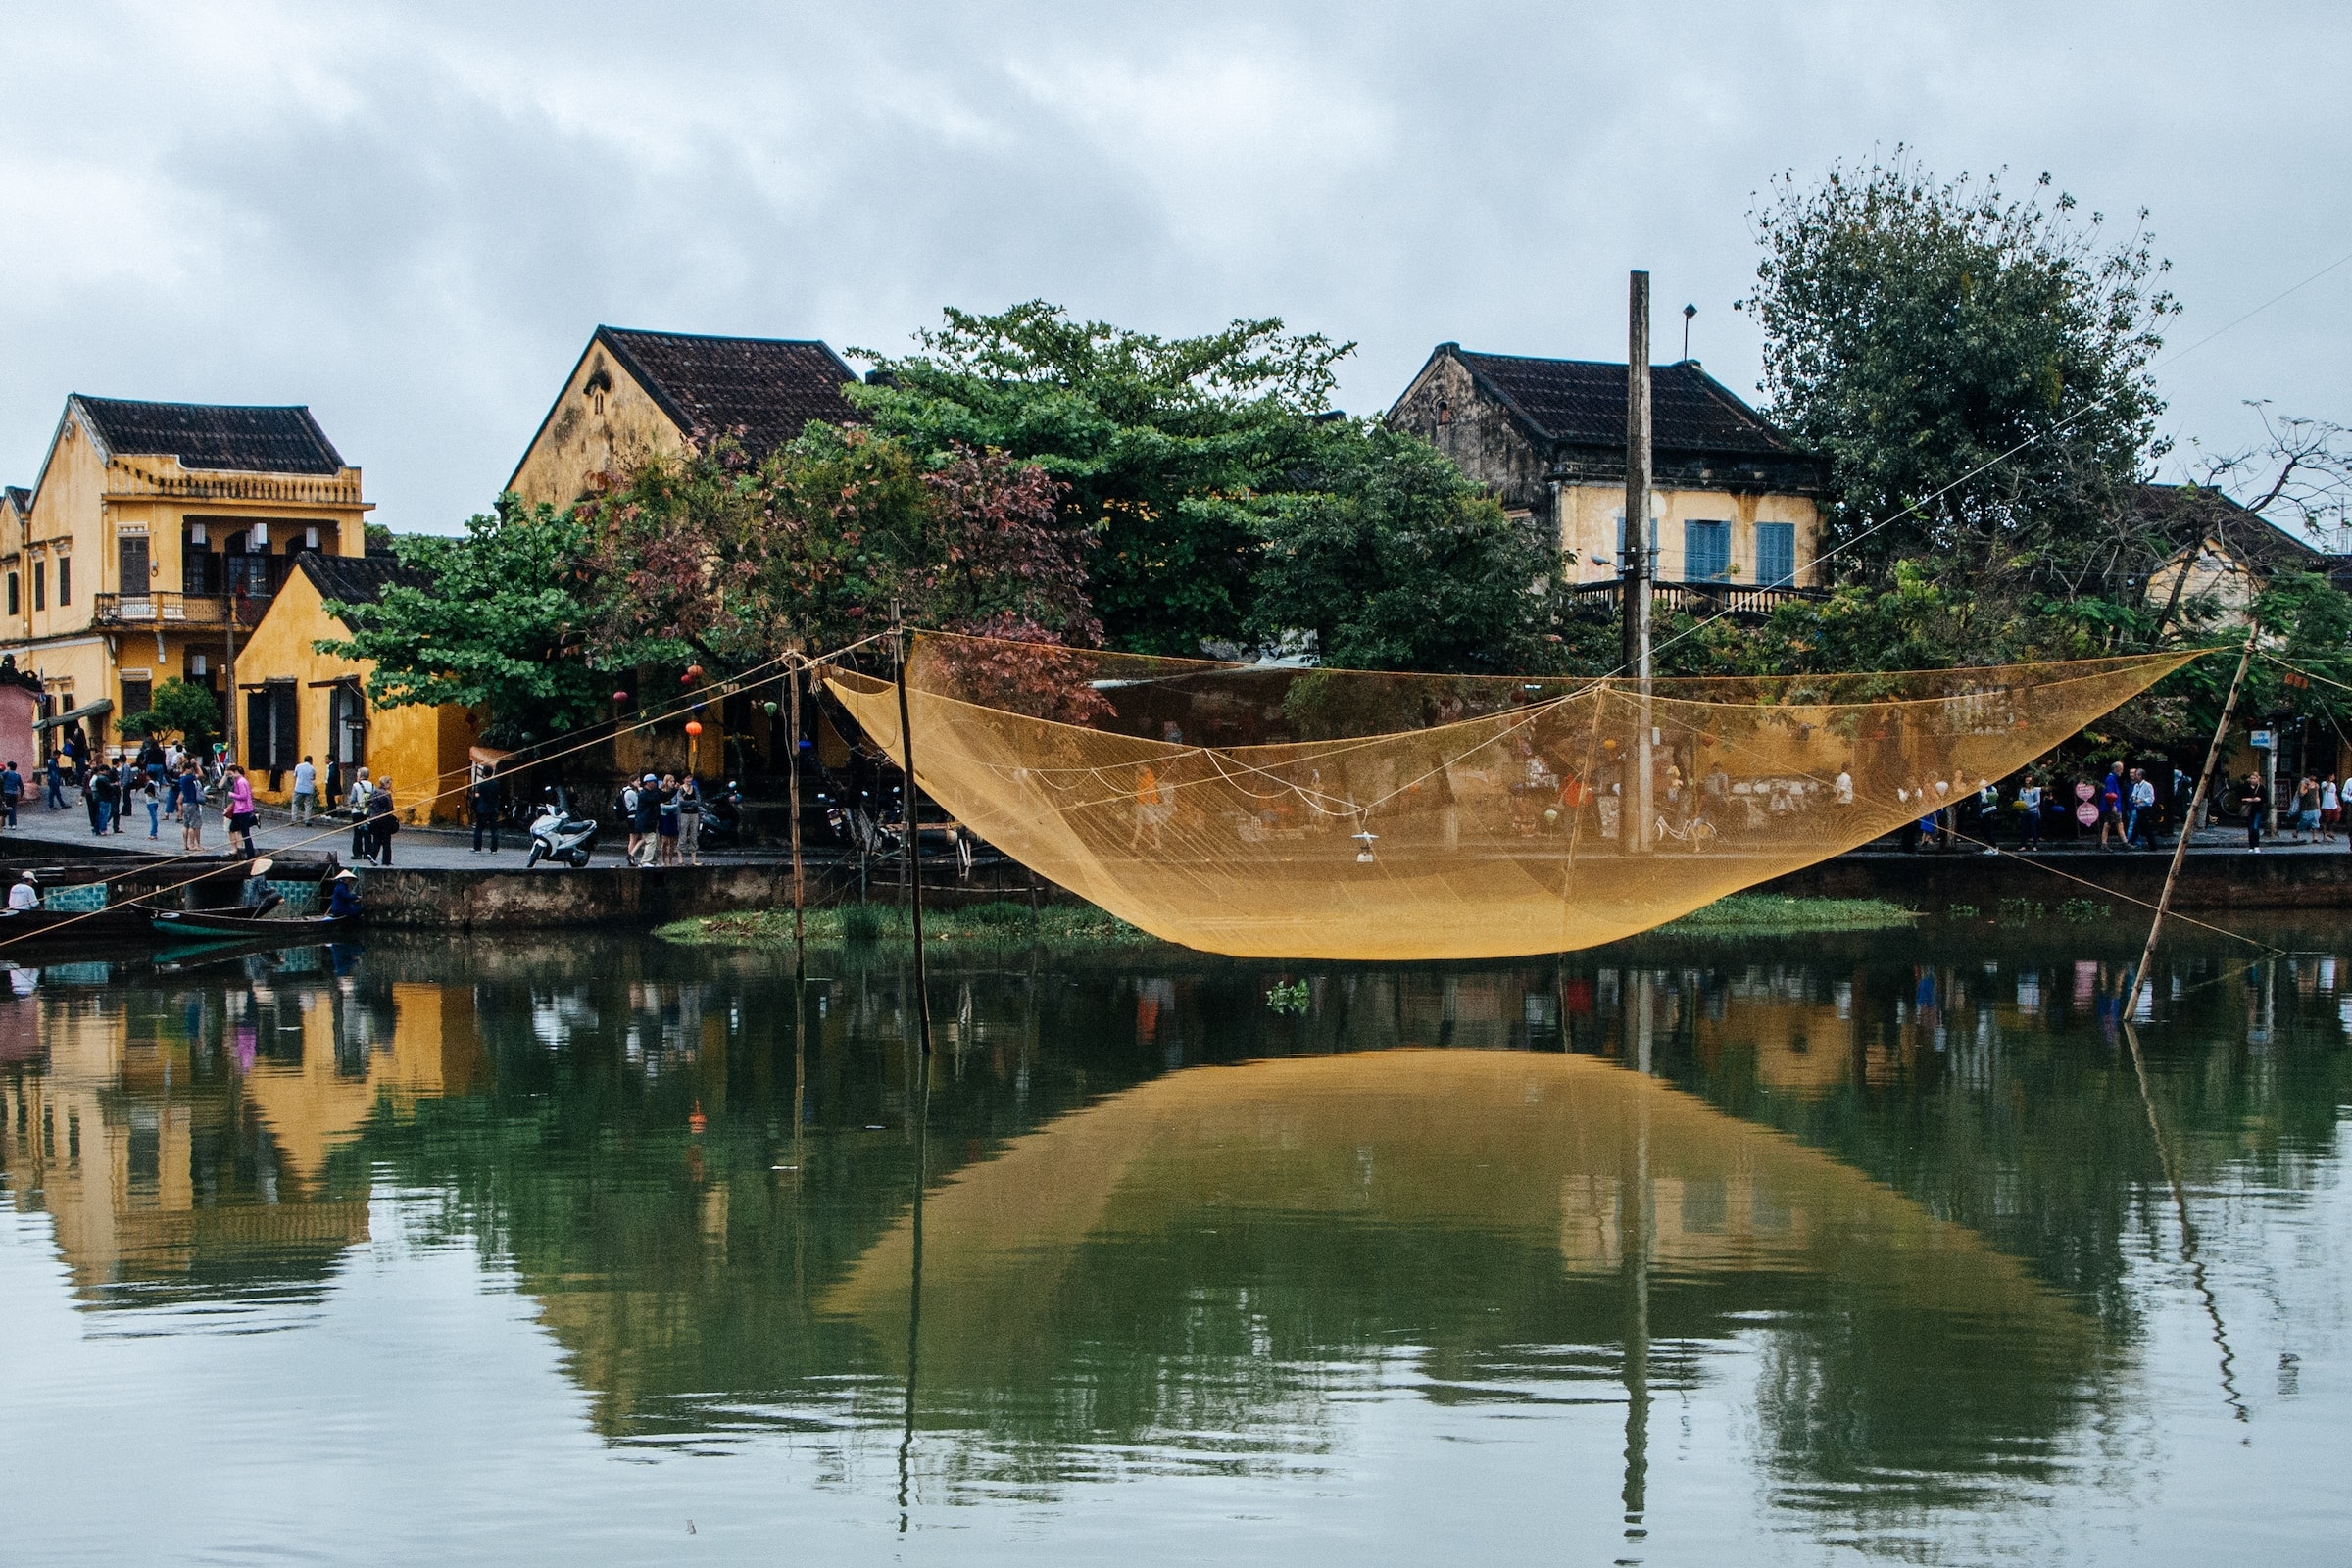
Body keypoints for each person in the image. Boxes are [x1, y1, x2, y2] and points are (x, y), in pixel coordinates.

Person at [469, 760, 501, 852]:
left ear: (483, 773)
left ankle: (477, 848)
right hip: (493, 809)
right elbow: (498, 796)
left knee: (479, 829)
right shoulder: (496, 784)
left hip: (482, 809)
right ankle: (494, 849)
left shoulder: (481, 785)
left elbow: (477, 796)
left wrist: (474, 806)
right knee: (494, 830)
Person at [225, 770, 258, 858]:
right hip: (238, 809)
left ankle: (250, 855)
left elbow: (244, 796)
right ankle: (238, 850)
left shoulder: (241, 782)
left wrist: (232, 795)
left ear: (236, 772)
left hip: (242, 809)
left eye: (231, 774)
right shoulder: (239, 781)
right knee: (233, 827)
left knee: (245, 833)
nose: (230, 777)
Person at [367, 776, 397, 865]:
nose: (390, 786)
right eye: (390, 784)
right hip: (384, 820)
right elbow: (390, 808)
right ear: (386, 784)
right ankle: (386, 861)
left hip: (374, 819)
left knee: (377, 839)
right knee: (386, 840)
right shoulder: (386, 794)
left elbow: (368, 804)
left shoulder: (374, 792)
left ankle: (372, 854)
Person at [629, 774, 660, 865]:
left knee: (656, 842)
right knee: (651, 840)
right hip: (646, 821)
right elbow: (654, 800)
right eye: (653, 782)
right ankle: (645, 861)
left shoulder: (650, 793)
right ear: (649, 783)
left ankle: (653, 861)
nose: (655, 784)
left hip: (651, 821)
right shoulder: (644, 794)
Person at [175, 761, 206, 850]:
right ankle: (192, 844)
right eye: (191, 770)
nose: (192, 772)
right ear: (187, 770)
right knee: (194, 825)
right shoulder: (188, 778)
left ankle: (185, 844)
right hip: (191, 802)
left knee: (186, 825)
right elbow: (200, 774)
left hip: (185, 803)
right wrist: (197, 765)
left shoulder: (181, 778)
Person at [347, 766, 373, 861]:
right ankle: (367, 853)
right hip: (367, 812)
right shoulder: (372, 785)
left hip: (357, 812)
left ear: (360, 775)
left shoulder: (356, 785)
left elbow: (353, 799)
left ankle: (357, 853)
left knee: (357, 833)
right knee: (367, 833)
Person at [656, 773, 682, 865]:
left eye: (673, 781)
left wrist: (670, 807)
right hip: (664, 817)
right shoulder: (661, 792)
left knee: (673, 841)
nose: (673, 783)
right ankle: (663, 860)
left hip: (673, 816)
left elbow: (677, 805)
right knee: (665, 841)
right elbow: (661, 806)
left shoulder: (676, 792)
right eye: (671, 781)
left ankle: (670, 860)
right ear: (666, 782)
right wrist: (670, 807)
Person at [677, 773, 703, 865]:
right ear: (683, 779)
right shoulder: (680, 789)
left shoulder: (694, 788)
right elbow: (680, 802)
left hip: (694, 813)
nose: (689, 780)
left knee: (694, 835)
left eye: (690, 778)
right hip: (684, 814)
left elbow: (698, 801)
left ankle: (693, 860)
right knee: (683, 835)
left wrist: (688, 802)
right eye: (687, 778)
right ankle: (680, 859)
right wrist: (691, 802)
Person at [87, 760, 118, 836]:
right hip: (105, 798)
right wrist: (114, 786)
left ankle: (97, 829)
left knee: (100, 814)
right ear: (104, 771)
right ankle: (103, 829)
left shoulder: (98, 778)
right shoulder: (103, 779)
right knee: (104, 815)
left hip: (100, 798)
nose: (107, 773)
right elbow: (108, 788)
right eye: (107, 771)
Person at [2244, 768, 2268, 852]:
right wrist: (2250, 799)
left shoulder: (2261, 788)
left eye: (2254, 778)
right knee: (2250, 829)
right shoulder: (2246, 787)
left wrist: (2259, 799)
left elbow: (2265, 799)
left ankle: (2256, 845)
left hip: (2258, 810)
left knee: (2255, 827)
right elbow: (2242, 798)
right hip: (2249, 810)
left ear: (2258, 779)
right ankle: (2251, 846)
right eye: (2251, 778)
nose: (2253, 780)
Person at [2018, 773, 2044, 851]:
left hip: (2033, 812)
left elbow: (2038, 801)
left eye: (2029, 781)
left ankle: (2034, 845)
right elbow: (2020, 799)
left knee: (2033, 828)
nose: (2027, 782)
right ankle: (2023, 845)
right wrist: (2022, 806)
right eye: (2026, 780)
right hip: (2024, 812)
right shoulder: (2022, 790)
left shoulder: (2035, 790)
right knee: (2024, 829)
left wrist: (2029, 806)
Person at [292, 755, 318, 827]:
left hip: (299, 788)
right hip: (308, 789)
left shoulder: (298, 766)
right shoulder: (312, 768)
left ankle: (294, 819)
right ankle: (307, 820)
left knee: (295, 804)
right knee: (308, 805)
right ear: (311, 761)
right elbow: (313, 778)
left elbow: (295, 776)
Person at [0, 760, 18, 828]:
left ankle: (2, 824)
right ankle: (13, 824)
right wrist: (21, 793)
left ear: (9, 767)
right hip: (14, 794)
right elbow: (21, 785)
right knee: (13, 808)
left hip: (6, 793)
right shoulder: (17, 775)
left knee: (3, 809)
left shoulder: (6, 774)